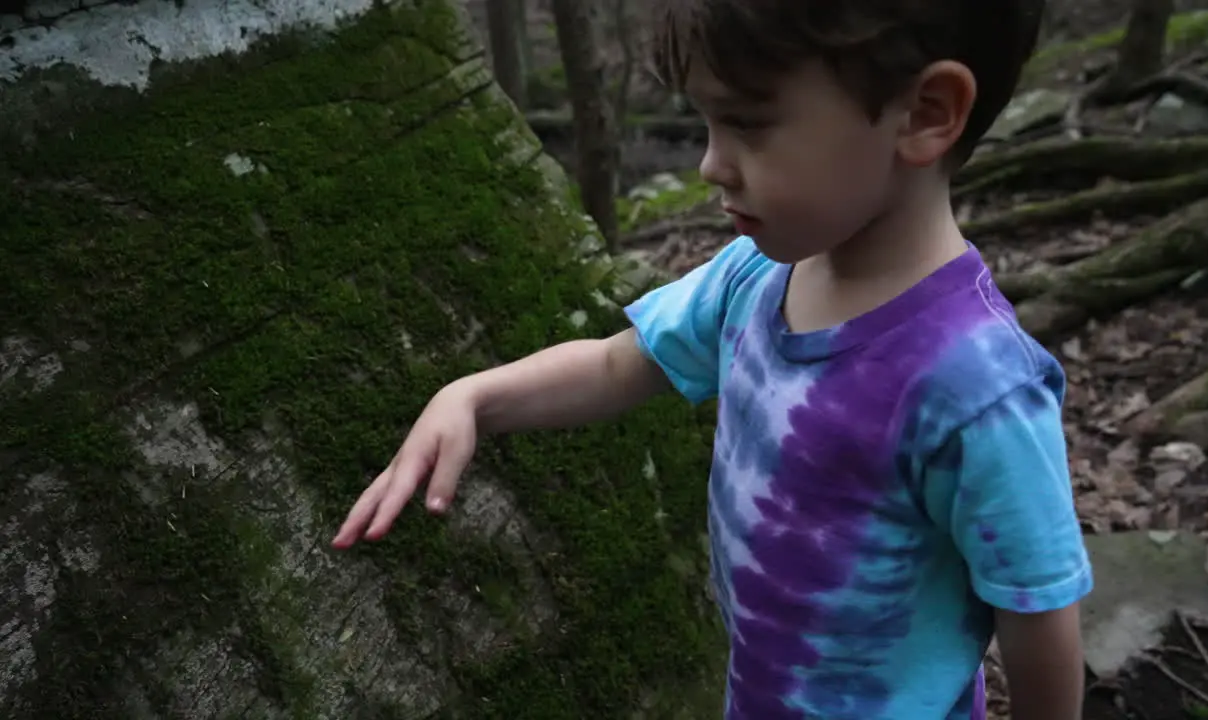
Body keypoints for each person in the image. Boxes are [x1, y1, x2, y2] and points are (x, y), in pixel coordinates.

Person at [332, 0, 1093, 717]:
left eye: (749, 125)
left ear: (925, 115)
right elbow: (618, 364)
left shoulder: (974, 386)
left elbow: (1040, 615)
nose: (709, 165)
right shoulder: (757, 277)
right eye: (705, 123)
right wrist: (472, 398)